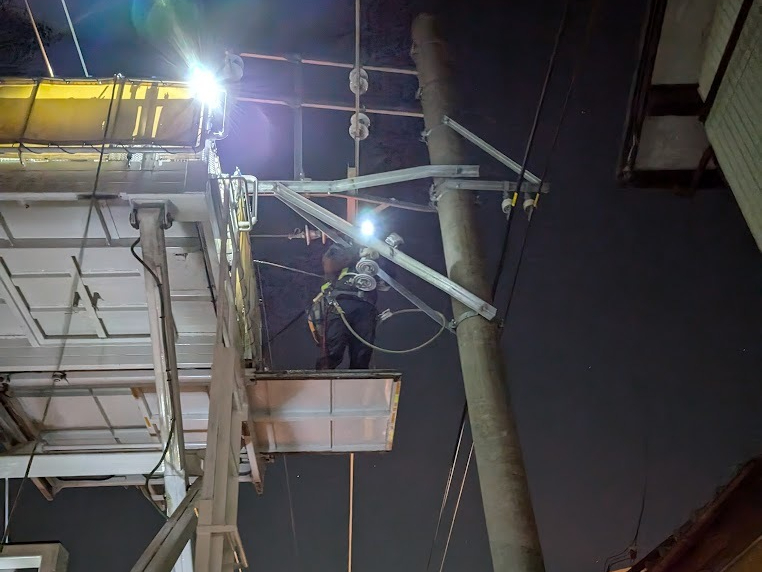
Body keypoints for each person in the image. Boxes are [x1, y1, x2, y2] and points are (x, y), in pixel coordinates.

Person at [309, 243, 392, 370]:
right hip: (340, 303)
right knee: (333, 349)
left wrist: (384, 256)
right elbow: (330, 264)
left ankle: (359, 380)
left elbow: (386, 283)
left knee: (362, 353)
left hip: (365, 308)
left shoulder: (375, 255)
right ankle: (323, 377)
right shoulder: (341, 246)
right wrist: (358, 253)